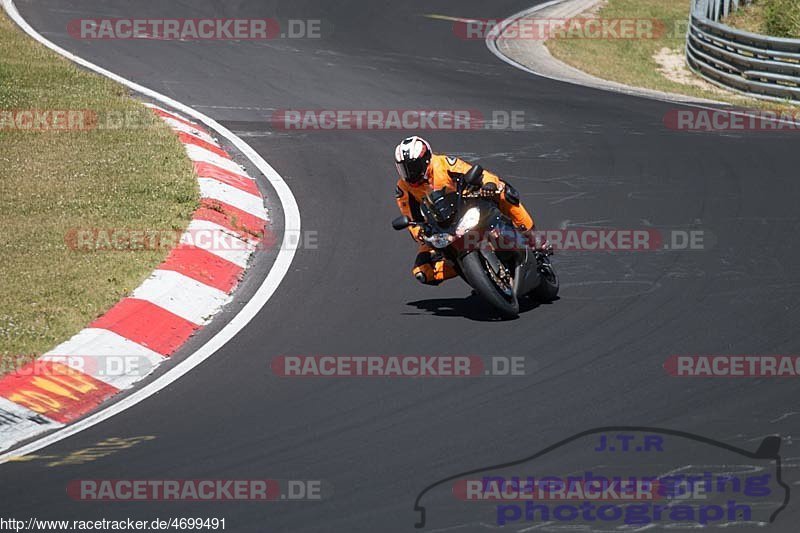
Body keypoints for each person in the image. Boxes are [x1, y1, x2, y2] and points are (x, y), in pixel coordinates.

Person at [393, 136, 540, 285]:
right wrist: (419, 232)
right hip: (440, 224)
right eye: (403, 169)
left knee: (503, 191)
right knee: (421, 272)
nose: (409, 174)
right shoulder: (403, 187)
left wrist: (489, 185)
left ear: (426, 160)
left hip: (466, 203)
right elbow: (410, 217)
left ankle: (533, 238)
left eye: (413, 167)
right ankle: (470, 271)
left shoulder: (443, 163)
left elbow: (481, 175)